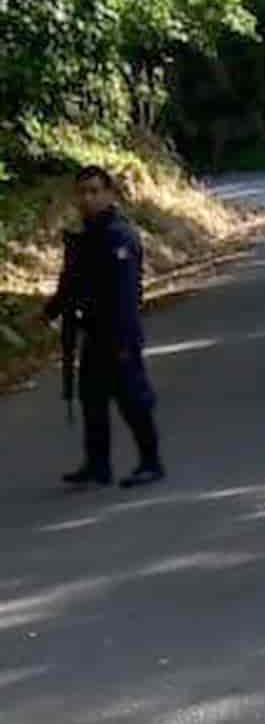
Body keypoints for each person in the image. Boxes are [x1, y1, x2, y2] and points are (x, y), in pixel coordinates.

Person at [42, 166, 165, 489]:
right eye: (82, 192)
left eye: (95, 191)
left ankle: (150, 462)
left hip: (119, 333)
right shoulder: (86, 237)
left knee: (133, 400)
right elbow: (71, 286)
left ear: (109, 194)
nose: (88, 198)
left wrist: (124, 342)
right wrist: (49, 313)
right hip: (93, 332)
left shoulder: (118, 236)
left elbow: (126, 295)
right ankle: (98, 465)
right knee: (92, 401)